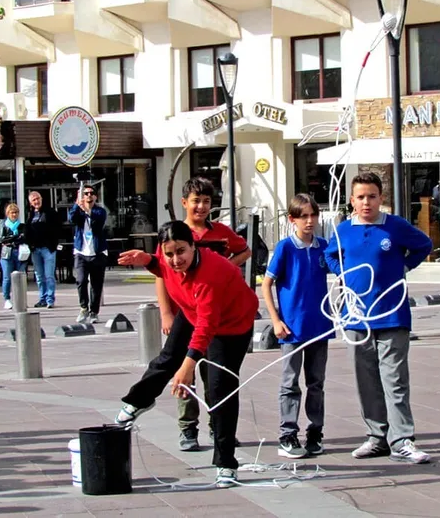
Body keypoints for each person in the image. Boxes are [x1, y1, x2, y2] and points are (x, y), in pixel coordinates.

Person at [115, 221, 258, 488]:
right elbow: (161, 266)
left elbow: (207, 326)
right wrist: (147, 259)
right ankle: (139, 401)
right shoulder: (166, 260)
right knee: (167, 357)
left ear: (193, 246)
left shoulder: (210, 273)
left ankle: (226, 463)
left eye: (181, 251)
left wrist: (188, 366)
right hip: (193, 311)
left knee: (220, 389)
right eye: (169, 253)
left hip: (231, 325)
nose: (175, 259)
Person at [324, 172, 433, 464]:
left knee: (394, 379)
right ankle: (376, 437)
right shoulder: (343, 230)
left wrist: (403, 267)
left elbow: (424, 245)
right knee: (366, 379)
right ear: (351, 201)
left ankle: (402, 440)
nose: (366, 202)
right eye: (360, 197)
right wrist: (342, 274)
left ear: (381, 198)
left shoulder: (394, 226)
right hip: (356, 317)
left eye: (372, 196)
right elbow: (331, 255)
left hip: (391, 315)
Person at [161, 177, 251, 451]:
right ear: (184, 203)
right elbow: (162, 273)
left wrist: (225, 266)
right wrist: (166, 312)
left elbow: (245, 251)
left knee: (215, 377)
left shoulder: (221, 231)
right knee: (184, 370)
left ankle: (218, 425)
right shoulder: (176, 234)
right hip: (187, 317)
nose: (201, 207)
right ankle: (188, 428)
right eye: (196, 201)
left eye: (207, 202)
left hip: (218, 320)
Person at [262, 194, 333, 459]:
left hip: (319, 325)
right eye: (303, 216)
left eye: (313, 215)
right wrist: (276, 319)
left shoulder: (323, 247)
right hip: (291, 327)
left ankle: (315, 431)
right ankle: (287, 433)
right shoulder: (285, 248)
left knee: (316, 381)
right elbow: (267, 284)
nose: (310, 221)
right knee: (290, 381)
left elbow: (340, 271)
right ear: (292, 219)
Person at [68, 184, 108, 324]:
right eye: (85, 193)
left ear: (96, 196)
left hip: (97, 252)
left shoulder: (100, 211)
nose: (89, 196)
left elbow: (98, 222)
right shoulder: (78, 211)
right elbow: (72, 218)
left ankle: (94, 312)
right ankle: (83, 307)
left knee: (96, 284)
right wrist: (77, 204)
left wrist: (87, 210)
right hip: (81, 252)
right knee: (81, 280)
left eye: (91, 193)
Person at [26, 191, 60, 308]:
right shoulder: (30, 215)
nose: (36, 201)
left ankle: (50, 299)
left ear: (41, 198)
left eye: (37, 199)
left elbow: (57, 228)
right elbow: (28, 231)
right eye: (33, 200)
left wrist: (54, 244)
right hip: (35, 249)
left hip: (48, 248)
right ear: (30, 203)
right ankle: (42, 298)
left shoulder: (50, 212)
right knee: (39, 276)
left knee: (49, 275)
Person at [0, 203, 27, 310]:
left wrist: (12, 238)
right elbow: (2, 239)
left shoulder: (22, 226)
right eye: (12, 213)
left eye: (16, 212)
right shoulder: (3, 225)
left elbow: (23, 238)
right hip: (7, 254)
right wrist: (15, 237)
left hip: (19, 253)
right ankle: (7, 299)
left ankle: (20, 299)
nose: (14, 215)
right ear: (8, 214)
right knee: (7, 277)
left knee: (20, 277)